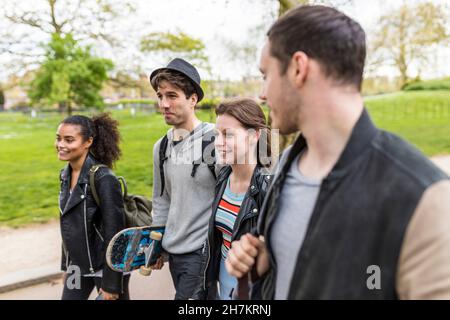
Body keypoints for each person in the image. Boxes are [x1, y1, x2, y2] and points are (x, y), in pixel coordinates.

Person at [226, 5, 450, 299]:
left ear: (298, 68)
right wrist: (264, 263)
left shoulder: (425, 197)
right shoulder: (284, 166)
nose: (262, 94)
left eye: (265, 75)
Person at [149, 58, 218, 300]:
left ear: (192, 99)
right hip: (174, 252)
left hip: (202, 252)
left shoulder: (216, 140)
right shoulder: (161, 146)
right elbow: (161, 200)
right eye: (160, 96)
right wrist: (156, 244)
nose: (164, 104)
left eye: (172, 95)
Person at [205, 98, 273, 300]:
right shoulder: (223, 176)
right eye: (217, 134)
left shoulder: (267, 188)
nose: (219, 143)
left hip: (249, 291)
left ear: (254, 136)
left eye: (228, 135)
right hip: (222, 283)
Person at [56, 113, 129, 300]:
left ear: (88, 142)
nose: (61, 145)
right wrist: (67, 266)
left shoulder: (103, 178)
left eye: (69, 140)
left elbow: (116, 232)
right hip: (77, 267)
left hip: (105, 268)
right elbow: (69, 225)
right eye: (59, 138)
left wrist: (112, 283)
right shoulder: (65, 175)